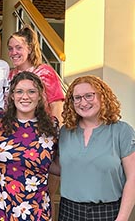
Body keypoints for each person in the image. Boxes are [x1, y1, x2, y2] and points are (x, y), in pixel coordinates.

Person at [56, 75, 135, 221]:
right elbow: (59, 167)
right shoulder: (65, 132)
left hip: (108, 212)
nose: (83, 102)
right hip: (69, 212)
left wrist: (122, 218)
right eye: (77, 98)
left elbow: (133, 178)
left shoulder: (122, 131)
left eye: (89, 96)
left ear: (102, 97)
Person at [7, 24, 64, 215]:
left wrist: (57, 140)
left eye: (19, 48)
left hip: (42, 141)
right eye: (11, 48)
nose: (14, 52)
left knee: (42, 196)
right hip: (16, 142)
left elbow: (57, 106)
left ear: (30, 49)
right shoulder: (10, 74)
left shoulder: (45, 72)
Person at [0, 71, 59, 221]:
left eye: (31, 92)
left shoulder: (52, 126)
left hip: (36, 207)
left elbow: (57, 163)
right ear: (12, 95)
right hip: (1, 206)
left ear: (39, 96)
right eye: (19, 91)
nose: (25, 97)